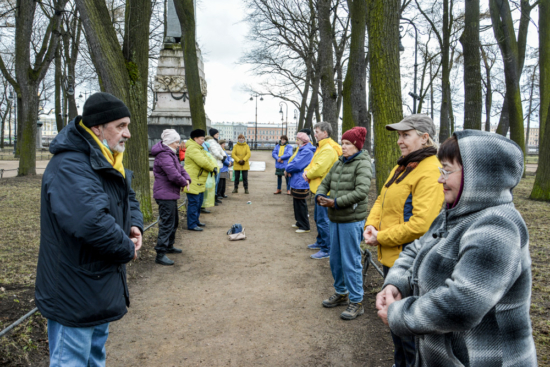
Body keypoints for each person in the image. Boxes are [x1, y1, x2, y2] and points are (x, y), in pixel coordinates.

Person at [377, 130, 537, 366]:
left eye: (447, 171)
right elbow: (414, 250)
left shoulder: (497, 226)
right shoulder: (453, 213)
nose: (440, 179)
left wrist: (399, 314)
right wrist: (396, 283)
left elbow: (462, 303)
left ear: (479, 175)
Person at [36, 92, 143, 367]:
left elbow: (126, 195)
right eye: (120, 126)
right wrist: (126, 248)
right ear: (97, 128)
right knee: (70, 361)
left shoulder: (105, 158)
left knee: (95, 357)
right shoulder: (72, 164)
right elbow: (91, 221)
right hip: (74, 289)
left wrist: (134, 224)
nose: (127, 133)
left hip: (97, 285)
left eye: (127, 125)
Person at [363, 114, 444, 367]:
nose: (399, 140)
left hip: (411, 265)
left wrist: (382, 237)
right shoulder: (403, 166)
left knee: (409, 337)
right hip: (393, 261)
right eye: (399, 135)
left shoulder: (430, 170)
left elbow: (422, 224)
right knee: (398, 333)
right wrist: (371, 225)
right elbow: (382, 198)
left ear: (424, 137)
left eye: (405, 135)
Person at [315, 127, 372, 320]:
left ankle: (356, 301)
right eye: (343, 143)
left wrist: (336, 202)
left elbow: (362, 190)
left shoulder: (363, 164)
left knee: (350, 261)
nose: (343, 147)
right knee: (335, 260)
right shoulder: (339, 162)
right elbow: (325, 182)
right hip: (335, 219)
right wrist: (321, 195)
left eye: (347, 144)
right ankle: (341, 293)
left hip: (351, 219)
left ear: (356, 146)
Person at [151, 129, 191, 266]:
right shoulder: (164, 155)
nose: (178, 144)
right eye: (176, 142)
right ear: (170, 142)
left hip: (169, 193)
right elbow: (173, 174)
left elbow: (180, 169)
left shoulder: (170, 154)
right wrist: (183, 182)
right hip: (164, 194)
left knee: (173, 221)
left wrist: (187, 178)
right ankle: (160, 253)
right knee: (167, 223)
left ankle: (169, 245)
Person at [302, 122, 342, 259]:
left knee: (323, 220)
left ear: (325, 133)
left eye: (317, 131)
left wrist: (307, 174)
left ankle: (327, 248)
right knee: (318, 218)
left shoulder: (328, 149)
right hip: (319, 189)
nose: (315, 134)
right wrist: (307, 171)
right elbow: (313, 164)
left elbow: (319, 168)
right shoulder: (322, 147)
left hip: (325, 191)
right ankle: (321, 242)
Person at [184, 129, 217, 231]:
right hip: (193, 180)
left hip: (199, 180)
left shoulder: (199, 148)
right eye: (201, 138)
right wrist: (212, 168)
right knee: (194, 203)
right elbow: (202, 161)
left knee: (198, 202)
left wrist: (214, 166)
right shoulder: (193, 149)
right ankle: (192, 224)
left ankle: (195, 221)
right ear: (195, 138)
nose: (203, 140)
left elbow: (207, 159)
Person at [285, 132, 315, 233]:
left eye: (298, 139)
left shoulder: (306, 151)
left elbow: (297, 165)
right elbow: (293, 161)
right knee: (296, 202)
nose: (296, 141)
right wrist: (289, 168)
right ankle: (299, 221)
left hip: (301, 180)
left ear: (302, 140)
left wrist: (288, 169)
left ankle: (305, 225)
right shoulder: (302, 149)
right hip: (297, 179)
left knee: (301, 203)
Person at [206, 129, 227, 204]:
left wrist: (224, 156)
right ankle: (213, 198)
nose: (218, 135)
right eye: (217, 134)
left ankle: (215, 196)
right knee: (214, 182)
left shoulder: (215, 141)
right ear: (213, 134)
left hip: (218, 163)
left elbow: (221, 150)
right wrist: (222, 157)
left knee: (216, 182)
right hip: (215, 163)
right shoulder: (211, 142)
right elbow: (215, 152)